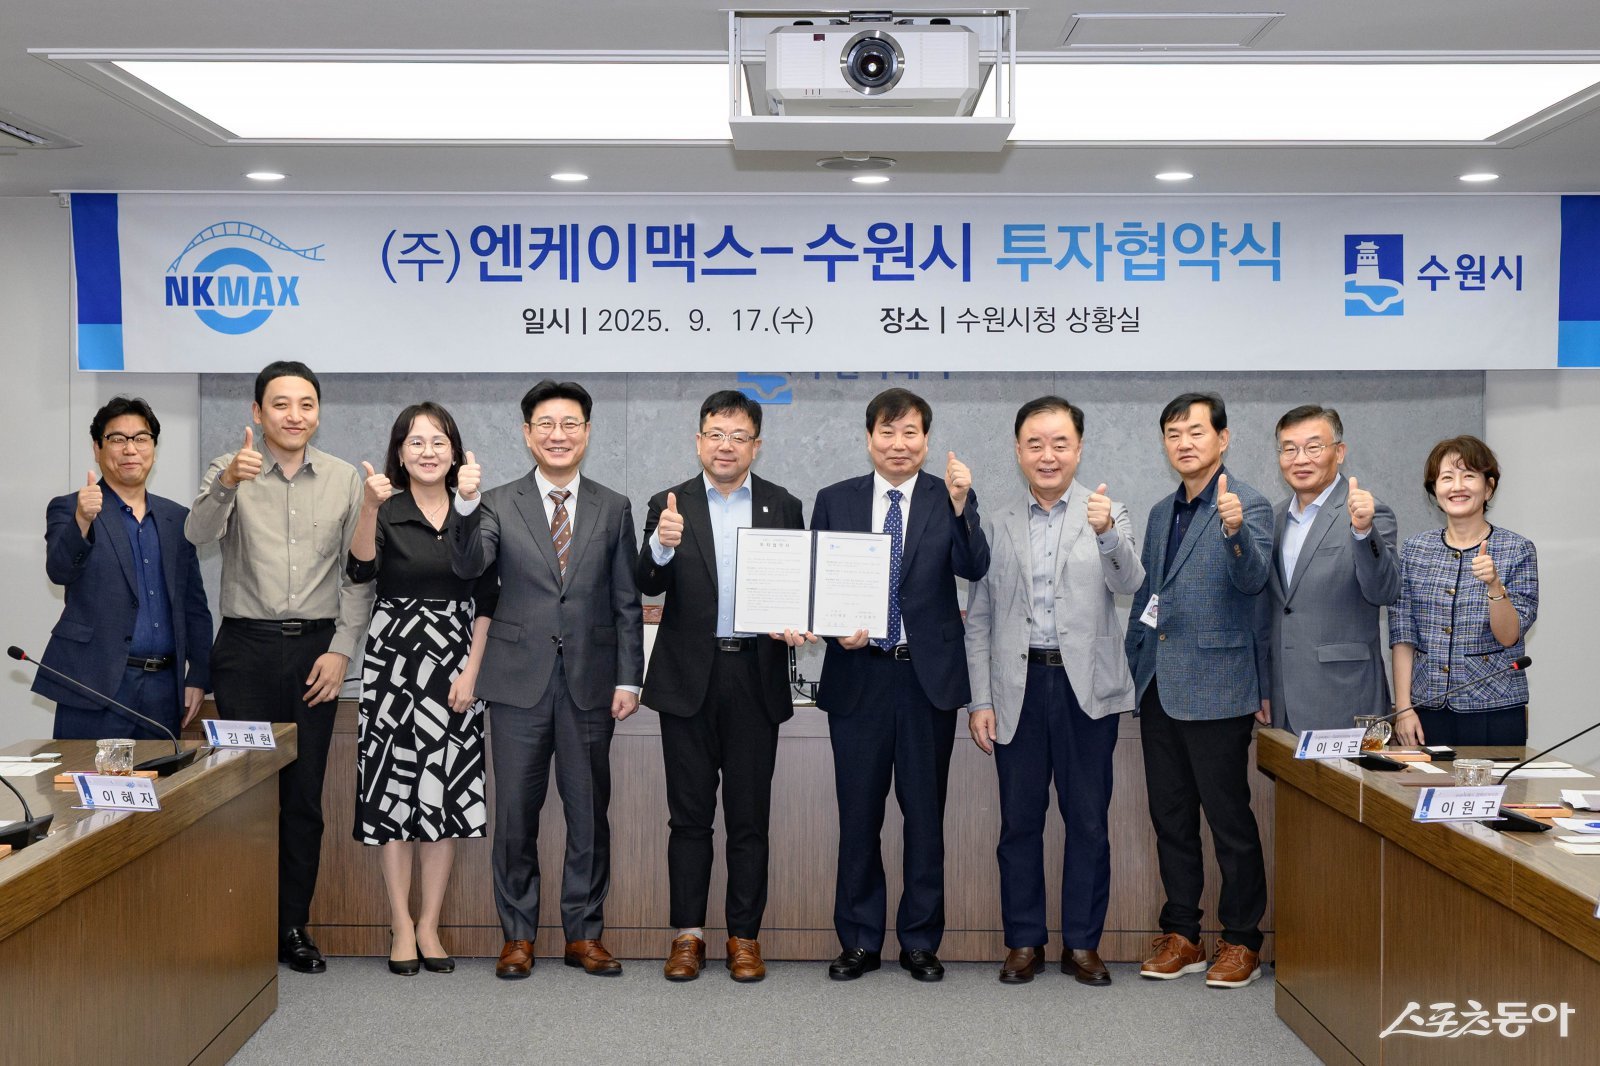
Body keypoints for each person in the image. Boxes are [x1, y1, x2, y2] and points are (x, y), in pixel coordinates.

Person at [450, 379, 644, 980]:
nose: (558, 435)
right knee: (515, 816)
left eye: (570, 424)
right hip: (515, 683)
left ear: (587, 432)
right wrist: (463, 506)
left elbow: (626, 601)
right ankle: (518, 935)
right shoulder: (495, 503)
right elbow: (470, 565)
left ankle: (585, 934)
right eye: (546, 425)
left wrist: (629, 679)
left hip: (590, 682)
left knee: (589, 816)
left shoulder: (614, 506)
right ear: (527, 433)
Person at [187, 360, 368, 974]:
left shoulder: (343, 478)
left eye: (306, 404)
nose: (295, 416)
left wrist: (342, 649)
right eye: (281, 404)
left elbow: (358, 575)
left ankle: (292, 925)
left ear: (319, 412)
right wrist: (226, 486)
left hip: (317, 653)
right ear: (258, 412)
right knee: (241, 796)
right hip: (245, 652)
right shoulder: (230, 468)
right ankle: (242, 925)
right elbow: (196, 534)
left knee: (303, 800)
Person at [811, 387, 990, 983]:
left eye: (910, 432)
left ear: (926, 440)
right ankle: (859, 940)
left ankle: (920, 940)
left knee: (925, 818)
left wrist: (962, 507)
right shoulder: (835, 499)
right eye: (887, 432)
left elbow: (974, 566)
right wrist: (834, 629)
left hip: (925, 681)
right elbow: (819, 585)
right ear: (869, 439)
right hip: (858, 677)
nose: (898, 444)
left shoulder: (948, 497)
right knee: (858, 816)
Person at [964, 396, 1142, 986]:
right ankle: (1024, 941)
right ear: (1018, 451)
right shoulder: (997, 524)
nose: (1048, 455)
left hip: (1085, 689)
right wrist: (980, 700)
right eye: (1035, 444)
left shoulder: (1108, 512)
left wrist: (1107, 532)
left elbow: (1131, 583)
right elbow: (980, 619)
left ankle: (1083, 944)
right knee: (1019, 823)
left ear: (1079, 449)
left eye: (1060, 443)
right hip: (1017, 688)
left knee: (1088, 821)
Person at [636, 390, 808, 983]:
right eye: (715, 434)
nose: (725, 446)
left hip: (755, 677)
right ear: (699, 441)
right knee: (688, 819)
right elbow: (646, 581)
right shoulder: (669, 503)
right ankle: (687, 936)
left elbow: (797, 586)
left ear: (757, 445)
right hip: (688, 678)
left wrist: (798, 620)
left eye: (738, 436)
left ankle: (744, 938)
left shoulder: (784, 505)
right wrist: (662, 544)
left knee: (749, 819)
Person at [1124, 391, 1272, 989]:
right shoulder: (1162, 511)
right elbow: (1148, 595)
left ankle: (1242, 940)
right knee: (1171, 819)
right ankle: (1183, 934)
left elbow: (1254, 580)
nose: (1184, 443)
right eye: (1173, 433)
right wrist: (1135, 661)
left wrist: (1236, 532)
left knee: (1229, 821)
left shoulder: (1247, 503)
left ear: (1223, 438)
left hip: (1217, 687)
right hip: (1159, 686)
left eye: (1195, 432)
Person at [347, 402, 497, 976]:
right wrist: (368, 507)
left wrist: (473, 671)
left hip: (456, 664)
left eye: (439, 441)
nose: (428, 451)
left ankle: (430, 923)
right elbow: (360, 571)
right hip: (393, 664)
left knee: (442, 796)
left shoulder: (476, 510)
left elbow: (486, 596)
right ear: (399, 452)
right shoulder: (385, 509)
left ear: (455, 451)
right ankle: (400, 923)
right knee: (393, 796)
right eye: (415, 441)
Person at [36, 397, 211, 741]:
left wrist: (199, 676)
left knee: (160, 777)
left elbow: (194, 605)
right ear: (97, 448)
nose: (130, 449)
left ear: (154, 449)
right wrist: (82, 521)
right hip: (94, 686)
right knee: (86, 776)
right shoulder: (70, 508)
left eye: (141, 438)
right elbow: (59, 571)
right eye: (117, 439)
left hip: (163, 690)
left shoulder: (177, 518)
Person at [1390, 436, 1538, 747]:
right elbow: (1403, 633)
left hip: (1494, 709)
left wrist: (1495, 586)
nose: (1457, 486)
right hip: (1426, 707)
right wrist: (1403, 708)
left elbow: (1509, 636)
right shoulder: (1414, 549)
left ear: (1489, 487)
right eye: (1446, 477)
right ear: (1434, 490)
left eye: (1469, 475)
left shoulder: (1517, 549)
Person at [1261, 405, 1401, 733]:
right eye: (1289, 449)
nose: (1300, 459)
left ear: (1339, 452)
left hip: (1346, 697)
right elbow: (1270, 611)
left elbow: (1385, 591)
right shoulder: (1273, 519)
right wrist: (1264, 685)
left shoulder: (1368, 512)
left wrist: (1363, 532)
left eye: (1313, 447)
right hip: (1283, 701)